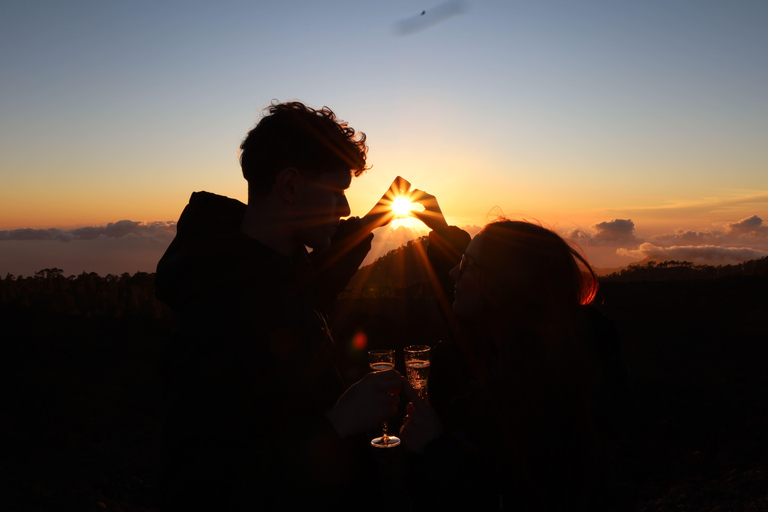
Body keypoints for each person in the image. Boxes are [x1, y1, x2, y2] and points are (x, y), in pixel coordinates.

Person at [155, 101, 409, 511]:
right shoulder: (218, 316)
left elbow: (319, 275)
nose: (344, 209)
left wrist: (377, 218)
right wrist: (339, 423)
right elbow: (201, 486)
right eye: (338, 192)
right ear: (290, 186)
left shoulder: (272, 273)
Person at [398, 192, 632, 511]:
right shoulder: (569, 358)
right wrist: (443, 232)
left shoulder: (515, 407)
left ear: (503, 283)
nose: (454, 272)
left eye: (466, 265)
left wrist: (434, 449)